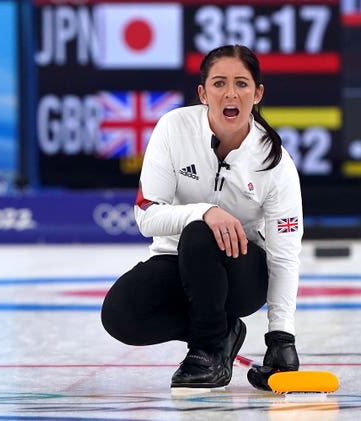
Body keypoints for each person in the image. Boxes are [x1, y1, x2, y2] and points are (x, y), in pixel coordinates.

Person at [101, 44, 303, 391]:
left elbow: (285, 255)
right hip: (177, 262)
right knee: (121, 315)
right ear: (202, 93)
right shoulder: (172, 128)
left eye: (241, 84)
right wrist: (205, 211)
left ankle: (208, 352)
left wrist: (281, 339)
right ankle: (224, 331)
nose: (230, 93)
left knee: (199, 234)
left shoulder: (275, 163)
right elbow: (147, 216)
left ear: (257, 94)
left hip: (242, 277)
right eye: (219, 83)